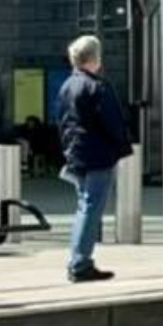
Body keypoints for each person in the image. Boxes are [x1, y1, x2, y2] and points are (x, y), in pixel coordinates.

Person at [56, 35, 132, 283]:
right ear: (95, 59)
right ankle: (80, 262)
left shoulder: (67, 86)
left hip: (76, 153)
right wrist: (121, 146)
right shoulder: (98, 87)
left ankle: (79, 259)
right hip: (97, 154)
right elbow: (112, 122)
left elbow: (62, 121)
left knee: (83, 206)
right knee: (91, 208)